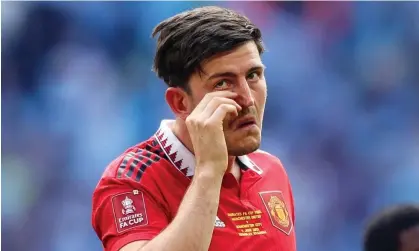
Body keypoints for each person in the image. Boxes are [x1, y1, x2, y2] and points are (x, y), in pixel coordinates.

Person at [91, 6, 296, 251]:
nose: (248, 99)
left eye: (253, 75)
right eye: (223, 83)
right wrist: (209, 171)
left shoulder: (271, 171)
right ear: (180, 102)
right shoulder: (130, 178)